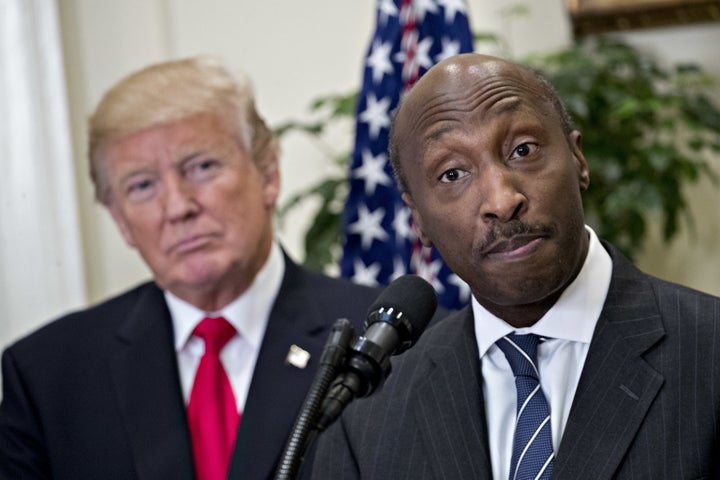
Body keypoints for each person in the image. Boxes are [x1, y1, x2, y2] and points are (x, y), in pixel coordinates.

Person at [308, 53, 720, 479]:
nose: (502, 202)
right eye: (452, 174)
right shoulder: (365, 418)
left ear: (578, 160)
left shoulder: (710, 351)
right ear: (419, 219)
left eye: (522, 150)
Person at [0, 56, 384, 480]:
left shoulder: (390, 344)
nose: (179, 207)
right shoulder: (48, 375)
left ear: (269, 174)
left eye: (202, 167)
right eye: (143, 185)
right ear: (120, 220)